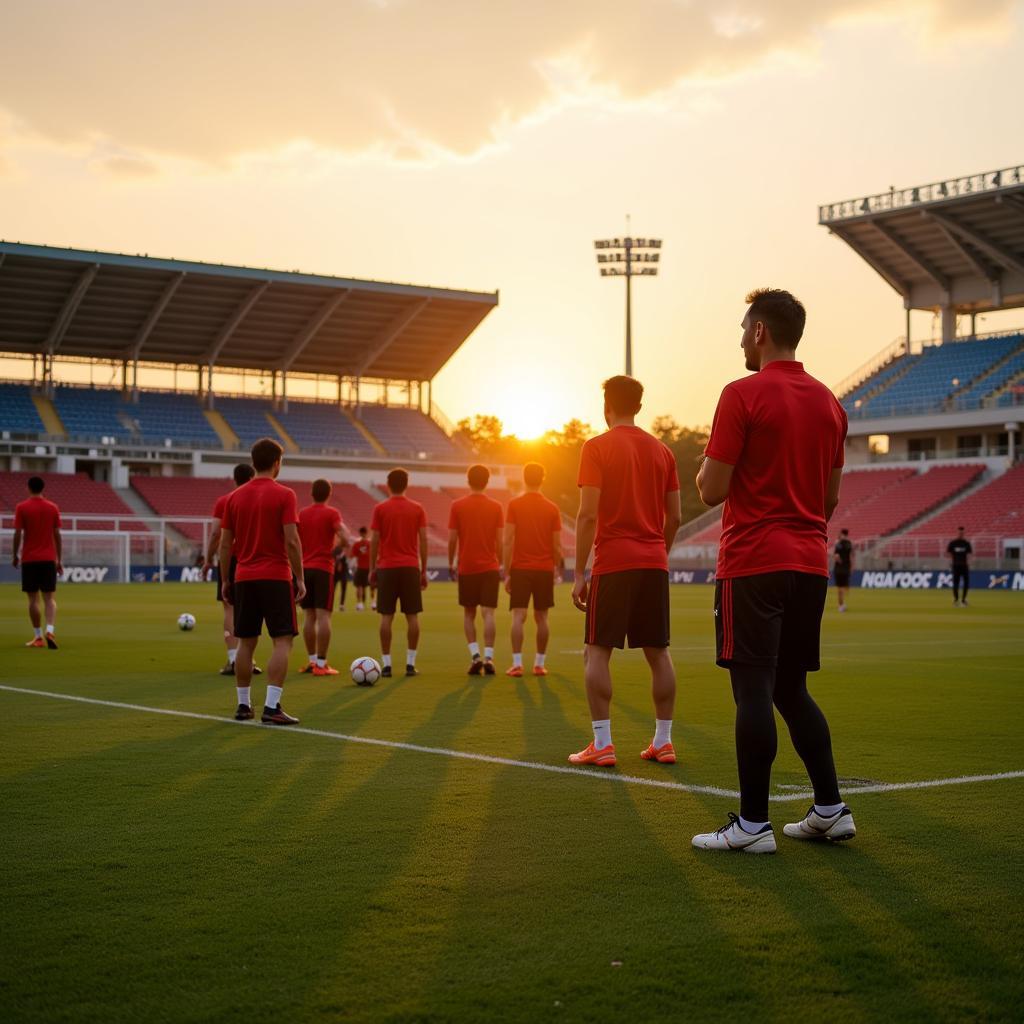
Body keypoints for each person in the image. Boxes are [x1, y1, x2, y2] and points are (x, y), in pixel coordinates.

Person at [691, 288, 855, 854]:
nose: (740, 338)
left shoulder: (741, 393)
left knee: (753, 690)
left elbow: (712, 489)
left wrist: (706, 474)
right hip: (809, 560)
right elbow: (829, 498)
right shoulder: (832, 404)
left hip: (754, 559)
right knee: (792, 689)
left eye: (743, 328)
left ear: (760, 331)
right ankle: (831, 807)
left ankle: (753, 824)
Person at [569, 376, 682, 767]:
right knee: (659, 653)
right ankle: (663, 741)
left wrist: (579, 572)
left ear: (607, 406)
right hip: (653, 562)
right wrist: (658, 553)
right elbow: (676, 516)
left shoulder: (596, 447)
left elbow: (586, 515)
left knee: (596, 652)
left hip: (614, 562)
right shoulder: (663, 452)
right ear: (639, 405)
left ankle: (602, 743)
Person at [219, 438, 306, 725]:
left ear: (253, 461)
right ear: (277, 463)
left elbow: (225, 544)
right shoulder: (285, 494)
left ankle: (243, 706)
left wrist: (224, 580)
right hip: (276, 575)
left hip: (243, 575)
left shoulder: (234, 497)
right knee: (282, 641)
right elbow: (292, 540)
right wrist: (300, 577)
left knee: (246, 642)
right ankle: (271, 707)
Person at [503, 462, 563, 677]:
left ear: (524, 478)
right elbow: (557, 545)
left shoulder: (515, 504)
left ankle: (517, 664)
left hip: (520, 568)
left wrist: (507, 571)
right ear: (543, 479)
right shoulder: (552, 508)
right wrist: (557, 568)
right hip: (544, 568)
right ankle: (539, 664)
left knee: (518, 616)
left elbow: (508, 540)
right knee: (542, 618)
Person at [370, 468, 428, 678]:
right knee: (412, 617)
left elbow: (374, 539)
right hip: (410, 566)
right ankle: (410, 664)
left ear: (388, 484)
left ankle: (386, 664)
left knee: (386, 616)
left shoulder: (380, 508)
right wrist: (423, 568)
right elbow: (423, 539)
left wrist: (372, 568)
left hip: (386, 567)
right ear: (406, 484)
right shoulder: (417, 508)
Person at [449, 464, 505, 676]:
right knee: (489, 613)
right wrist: (499, 562)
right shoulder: (496, 506)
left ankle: (475, 656)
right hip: (489, 565)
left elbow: (453, 538)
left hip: (467, 566)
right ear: (487, 481)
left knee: (469, 613)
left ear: (468, 480)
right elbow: (499, 541)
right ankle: (489, 657)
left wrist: (451, 562)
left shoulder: (457, 505)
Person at [204, 463, 257, 676]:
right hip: (254, 559)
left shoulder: (225, 501)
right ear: (252, 477)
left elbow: (216, 533)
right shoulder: (259, 499)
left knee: (229, 609)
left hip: (231, 559)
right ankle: (249, 660)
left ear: (234, 479)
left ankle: (234, 659)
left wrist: (208, 559)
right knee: (251, 610)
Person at [297, 479, 350, 677]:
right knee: (324, 616)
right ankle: (321, 663)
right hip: (323, 569)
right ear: (329, 494)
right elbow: (345, 536)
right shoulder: (332, 513)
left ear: (312, 493)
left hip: (305, 568)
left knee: (308, 617)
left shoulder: (303, 513)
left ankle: (311, 661)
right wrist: (336, 551)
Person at [12, 476, 62, 649]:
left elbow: (18, 532)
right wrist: (59, 559)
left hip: (30, 558)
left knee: (33, 600)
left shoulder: (22, 507)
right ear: (43, 488)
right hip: (48, 558)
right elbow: (57, 534)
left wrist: (15, 554)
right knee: (50, 598)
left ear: (28, 488)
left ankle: (38, 637)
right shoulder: (53, 507)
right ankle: (50, 629)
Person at [947, 527, 972, 607]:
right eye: (959, 533)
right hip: (956, 566)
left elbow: (969, 554)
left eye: (962, 533)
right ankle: (956, 600)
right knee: (955, 583)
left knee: (966, 583)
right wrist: (952, 561)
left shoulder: (966, 543)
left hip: (964, 566)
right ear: (957, 533)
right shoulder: (953, 543)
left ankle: (964, 600)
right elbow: (949, 552)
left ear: (963, 533)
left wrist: (968, 562)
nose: (960, 534)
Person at [349, 526, 373, 610]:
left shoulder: (357, 544)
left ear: (360, 533)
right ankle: (373, 603)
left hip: (360, 567)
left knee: (359, 586)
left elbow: (352, 555)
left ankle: (360, 604)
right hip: (369, 567)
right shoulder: (370, 544)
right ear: (366, 533)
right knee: (372, 585)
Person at [833, 528, 853, 612]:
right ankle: (843, 604)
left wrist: (839, 561)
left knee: (840, 588)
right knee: (844, 586)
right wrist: (850, 567)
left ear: (841, 533)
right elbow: (851, 556)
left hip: (839, 568)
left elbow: (836, 556)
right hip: (846, 568)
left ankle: (840, 605)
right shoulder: (849, 543)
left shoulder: (838, 543)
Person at [333, 544, 350, 611]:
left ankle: (342, 605)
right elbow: (334, 557)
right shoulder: (337, 549)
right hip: (336, 572)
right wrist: (338, 563)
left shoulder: (346, 549)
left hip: (343, 572)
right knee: (334, 588)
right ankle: (336, 604)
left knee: (343, 588)